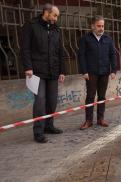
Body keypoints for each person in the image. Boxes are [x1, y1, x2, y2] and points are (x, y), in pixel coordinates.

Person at [21, 3, 65, 143]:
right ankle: (38, 132)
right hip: (37, 72)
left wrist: (62, 71)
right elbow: (25, 48)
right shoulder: (31, 25)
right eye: (54, 15)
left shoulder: (56, 30)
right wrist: (28, 67)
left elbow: (60, 52)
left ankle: (49, 126)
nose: (56, 19)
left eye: (57, 16)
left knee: (52, 101)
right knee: (40, 101)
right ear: (46, 12)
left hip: (53, 72)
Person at [78, 15, 117, 130]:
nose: (101, 28)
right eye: (99, 26)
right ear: (93, 26)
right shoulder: (85, 39)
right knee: (90, 97)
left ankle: (100, 119)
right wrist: (84, 71)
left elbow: (113, 55)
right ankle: (88, 120)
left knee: (102, 96)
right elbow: (81, 56)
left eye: (102, 26)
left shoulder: (108, 39)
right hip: (91, 73)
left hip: (104, 72)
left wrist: (113, 70)